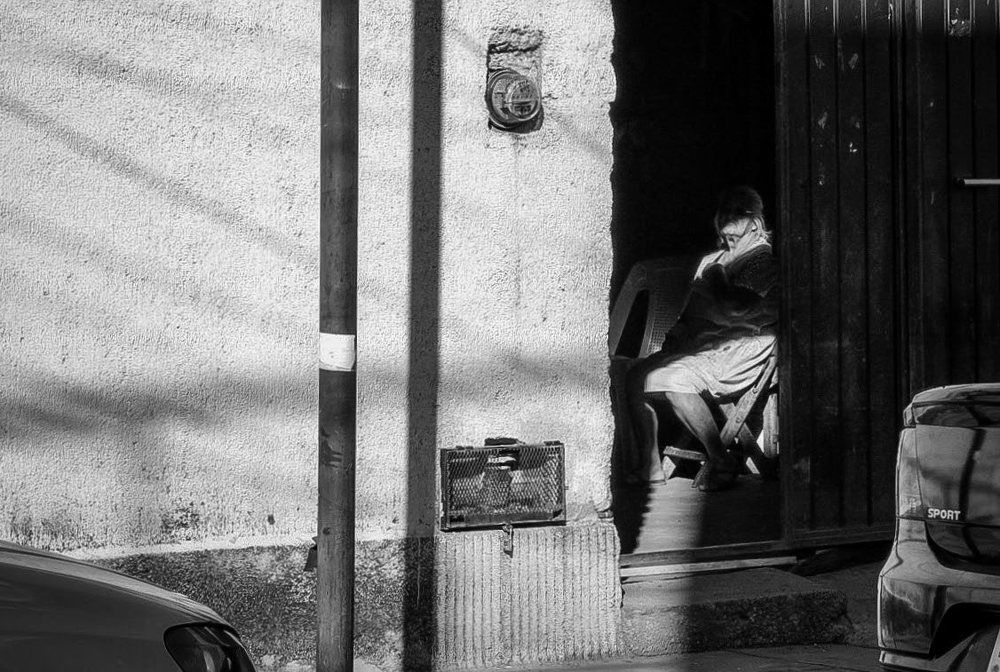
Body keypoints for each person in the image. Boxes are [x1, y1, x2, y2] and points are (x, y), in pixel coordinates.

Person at [626, 185, 778, 491]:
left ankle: (721, 458)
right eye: (725, 211)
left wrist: (717, 278)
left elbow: (736, 309)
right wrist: (677, 334)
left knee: (672, 378)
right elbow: (692, 307)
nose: (728, 218)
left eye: (738, 212)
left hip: (739, 346)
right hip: (701, 344)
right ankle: (651, 465)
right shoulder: (712, 259)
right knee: (635, 376)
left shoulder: (762, 259)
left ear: (755, 222)